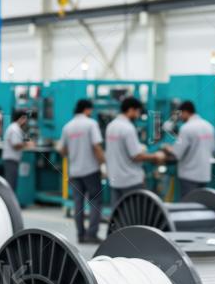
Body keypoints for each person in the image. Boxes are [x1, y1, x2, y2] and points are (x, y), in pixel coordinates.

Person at [58, 100, 105, 244]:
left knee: (78, 203)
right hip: (90, 170)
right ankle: (92, 234)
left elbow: (62, 150)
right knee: (95, 201)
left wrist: (74, 152)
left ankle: (80, 235)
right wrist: (103, 163)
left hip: (75, 171)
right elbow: (96, 146)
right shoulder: (91, 124)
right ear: (87, 110)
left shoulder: (68, 127)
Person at [104, 97, 165, 205]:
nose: (138, 115)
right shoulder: (128, 128)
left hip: (115, 179)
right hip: (131, 181)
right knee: (135, 215)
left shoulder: (111, 126)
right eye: (138, 112)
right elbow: (136, 156)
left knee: (118, 214)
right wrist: (156, 156)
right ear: (131, 110)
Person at [161, 101, 215, 197]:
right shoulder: (209, 126)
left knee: (188, 207)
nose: (180, 118)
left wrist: (165, 148)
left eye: (180, 114)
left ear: (185, 112)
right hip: (205, 175)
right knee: (201, 204)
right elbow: (213, 149)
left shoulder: (186, 128)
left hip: (189, 176)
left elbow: (176, 153)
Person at [1, 110, 34, 192]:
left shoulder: (15, 128)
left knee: (12, 183)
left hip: (13, 160)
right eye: (25, 119)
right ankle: (8, 203)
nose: (25, 121)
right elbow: (15, 145)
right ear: (21, 118)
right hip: (11, 160)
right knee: (10, 183)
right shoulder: (14, 128)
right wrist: (27, 144)